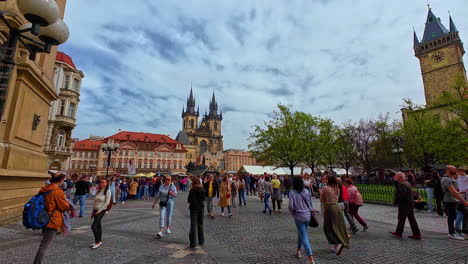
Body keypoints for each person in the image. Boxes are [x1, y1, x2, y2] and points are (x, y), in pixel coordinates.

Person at [33, 173, 70, 264]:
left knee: (44, 242)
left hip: (43, 217)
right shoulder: (57, 191)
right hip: (52, 220)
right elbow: (64, 207)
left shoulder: (44, 188)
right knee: (45, 245)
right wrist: (65, 200)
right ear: (61, 180)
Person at [289, 176, 316, 264]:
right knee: (301, 233)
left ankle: (310, 257)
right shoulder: (307, 191)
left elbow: (291, 206)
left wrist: (293, 213)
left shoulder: (292, 193)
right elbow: (310, 204)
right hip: (307, 216)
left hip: (299, 217)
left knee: (304, 236)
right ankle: (298, 251)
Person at [320, 175, 349, 256]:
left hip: (329, 208)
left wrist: (322, 211)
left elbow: (322, 200)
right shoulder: (337, 188)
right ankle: (336, 245)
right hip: (337, 207)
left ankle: (338, 243)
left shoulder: (326, 188)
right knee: (336, 226)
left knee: (328, 228)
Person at [389, 172, 422, 240]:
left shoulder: (402, 184)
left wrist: (398, 197)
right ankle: (416, 234)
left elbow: (402, 194)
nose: (394, 177)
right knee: (410, 218)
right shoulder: (406, 182)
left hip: (404, 204)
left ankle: (399, 233)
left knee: (402, 218)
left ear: (399, 177)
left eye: (395, 176)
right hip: (409, 203)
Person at [441, 166, 468, 240]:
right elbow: (453, 192)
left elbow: (455, 191)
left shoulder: (452, 178)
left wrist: (460, 193)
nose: (455, 170)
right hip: (450, 200)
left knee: (466, 212)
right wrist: (464, 201)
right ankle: (451, 233)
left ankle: (465, 231)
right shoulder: (446, 179)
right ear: (447, 170)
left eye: (455, 169)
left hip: (456, 199)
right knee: (452, 216)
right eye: (453, 169)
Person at [90, 179, 111, 249]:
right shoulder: (99, 191)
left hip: (101, 210)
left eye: (103, 182)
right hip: (96, 210)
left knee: (93, 226)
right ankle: (100, 240)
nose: (102, 184)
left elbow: (107, 203)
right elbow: (95, 202)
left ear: (107, 183)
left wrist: (99, 211)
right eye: (101, 182)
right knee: (98, 225)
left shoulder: (108, 191)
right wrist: (92, 212)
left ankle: (97, 242)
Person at [188, 178, 206, 248]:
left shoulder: (192, 190)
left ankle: (193, 243)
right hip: (201, 208)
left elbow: (189, 200)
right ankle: (201, 241)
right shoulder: (203, 189)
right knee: (200, 224)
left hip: (194, 209)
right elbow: (204, 199)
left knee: (193, 225)